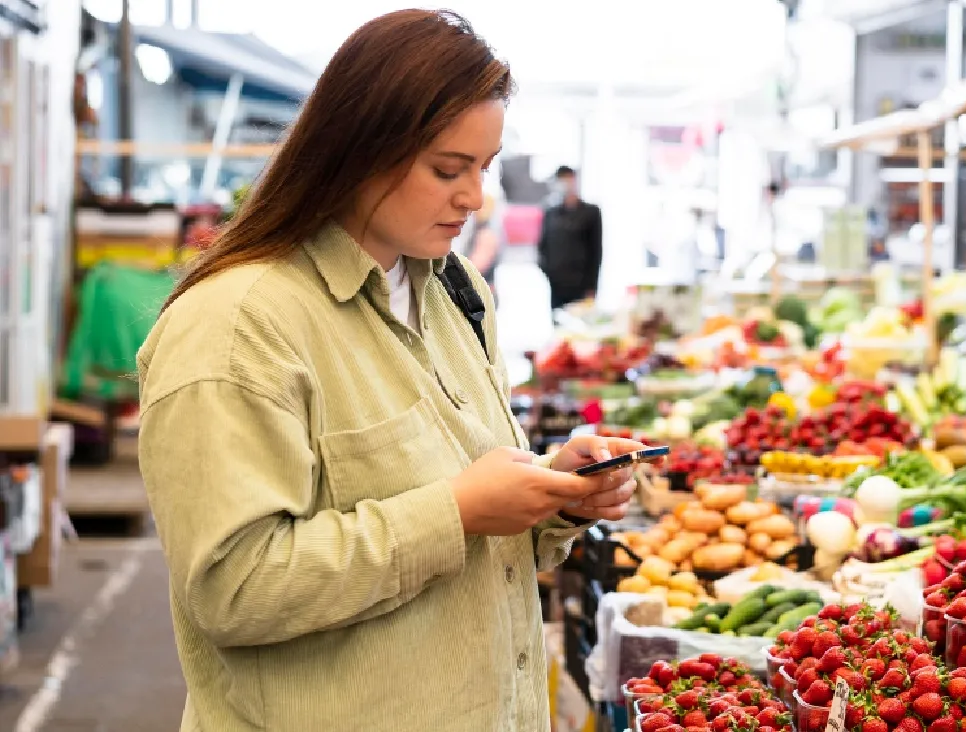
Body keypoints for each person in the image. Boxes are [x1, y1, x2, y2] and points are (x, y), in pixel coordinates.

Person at [134, 11, 651, 731]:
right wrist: (458, 511)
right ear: (357, 151)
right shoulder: (235, 328)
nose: (474, 197)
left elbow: (471, 513)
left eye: (484, 167)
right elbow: (233, 588)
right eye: (448, 169)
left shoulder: (454, 289)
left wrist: (552, 492)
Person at [537, 165, 602, 310]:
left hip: (580, 285)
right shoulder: (551, 212)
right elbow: (543, 245)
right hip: (557, 285)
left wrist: (592, 286)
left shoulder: (591, 213)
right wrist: (548, 272)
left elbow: (595, 251)